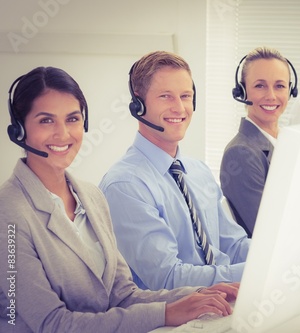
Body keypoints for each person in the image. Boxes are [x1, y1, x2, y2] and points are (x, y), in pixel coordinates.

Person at [0, 66, 238, 332]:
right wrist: (166, 313)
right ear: (19, 130)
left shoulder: (91, 197)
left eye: (72, 119)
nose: (63, 134)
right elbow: (52, 324)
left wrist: (200, 293)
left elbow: (124, 296)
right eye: (46, 120)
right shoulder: (8, 214)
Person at [99, 51, 251, 291]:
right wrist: (254, 273)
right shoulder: (125, 185)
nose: (179, 108)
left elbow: (233, 245)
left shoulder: (198, 171)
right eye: (165, 96)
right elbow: (168, 279)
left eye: (185, 96)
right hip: (173, 322)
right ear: (138, 104)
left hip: (224, 305)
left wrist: (277, 257)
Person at [220, 46, 298, 237]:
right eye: (260, 85)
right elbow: (268, 234)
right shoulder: (241, 153)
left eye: (280, 86)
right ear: (242, 91)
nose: (271, 95)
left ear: (291, 90)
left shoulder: (289, 143)